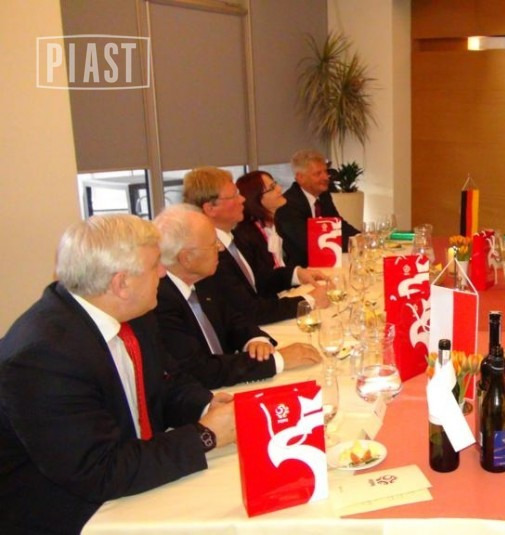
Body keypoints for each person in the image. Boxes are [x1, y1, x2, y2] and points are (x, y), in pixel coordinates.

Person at [0, 215, 234, 534]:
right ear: (121, 283)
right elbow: (99, 470)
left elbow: (167, 382)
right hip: (73, 514)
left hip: (130, 477)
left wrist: (206, 406)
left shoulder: (131, 312)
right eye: (155, 265)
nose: (163, 273)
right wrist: (205, 435)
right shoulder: (43, 357)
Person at [153, 205, 321, 389]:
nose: (220, 248)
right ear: (186, 258)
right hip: (207, 394)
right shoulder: (160, 302)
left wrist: (255, 340)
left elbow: (234, 320)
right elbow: (201, 370)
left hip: (228, 382)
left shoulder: (201, 280)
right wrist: (277, 360)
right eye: (213, 243)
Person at [183, 166, 327, 325]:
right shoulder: (209, 255)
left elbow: (259, 280)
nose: (242, 199)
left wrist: (296, 274)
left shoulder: (234, 237)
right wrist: (308, 300)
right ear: (210, 208)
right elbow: (250, 311)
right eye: (234, 196)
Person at [234, 170, 326, 297]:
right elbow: (261, 282)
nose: (279, 189)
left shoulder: (275, 222)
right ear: (256, 199)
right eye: (272, 188)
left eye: (275, 183)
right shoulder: (246, 235)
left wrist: (299, 273)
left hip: (286, 289)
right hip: (270, 300)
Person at [275, 149, 361, 267]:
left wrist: (360, 238)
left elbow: (338, 225)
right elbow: (309, 243)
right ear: (300, 177)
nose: (326, 177)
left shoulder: (323, 195)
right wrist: (354, 244)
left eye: (325, 171)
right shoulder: (287, 205)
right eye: (318, 174)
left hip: (328, 261)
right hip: (303, 268)